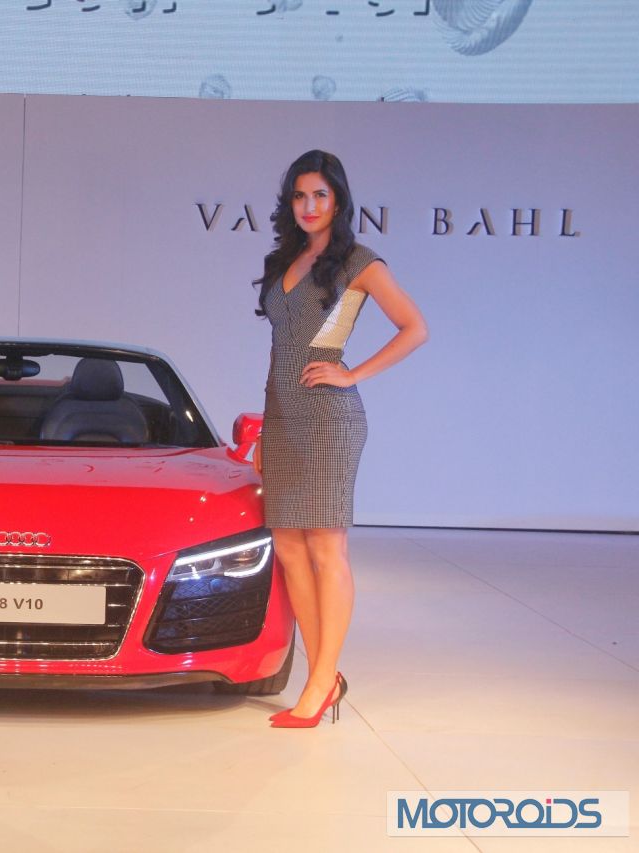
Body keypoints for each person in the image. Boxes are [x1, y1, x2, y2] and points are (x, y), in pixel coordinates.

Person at [253, 150, 427, 729]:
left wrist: (352, 373)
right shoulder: (286, 259)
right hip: (282, 418)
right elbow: (279, 354)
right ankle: (323, 676)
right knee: (289, 548)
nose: (309, 206)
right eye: (300, 195)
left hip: (329, 420)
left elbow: (415, 328)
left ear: (338, 201)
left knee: (327, 550)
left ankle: (321, 681)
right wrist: (265, 427)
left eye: (320, 195)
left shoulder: (358, 261)